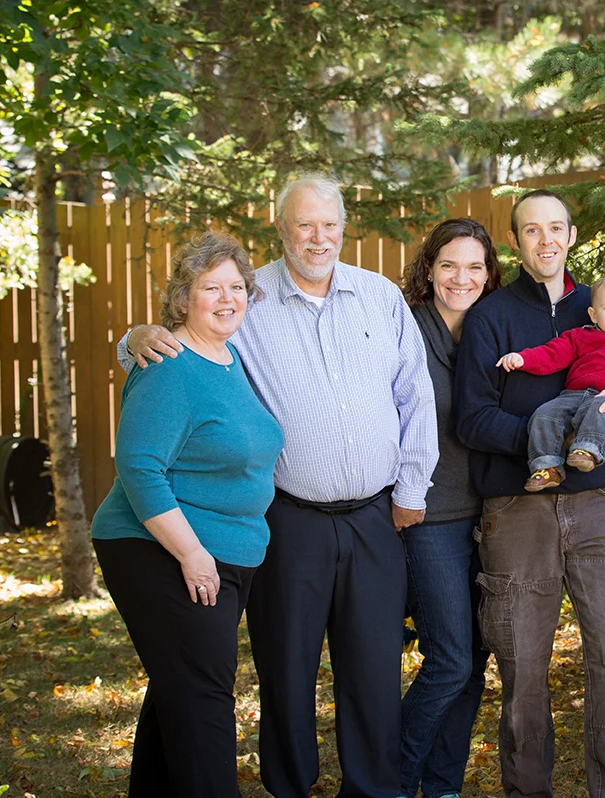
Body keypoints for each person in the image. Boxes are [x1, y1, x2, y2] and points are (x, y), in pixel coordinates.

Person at [117, 173, 438, 798]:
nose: (317, 238)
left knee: (373, 667)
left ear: (344, 228)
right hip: (288, 519)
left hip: (375, 515)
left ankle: (372, 789)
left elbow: (415, 396)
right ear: (281, 229)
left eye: (329, 225)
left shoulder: (379, 297)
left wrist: (410, 491)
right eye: (303, 225)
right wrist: (133, 340)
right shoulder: (248, 294)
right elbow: (184, 344)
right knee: (285, 668)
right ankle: (289, 786)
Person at [454, 189, 605, 798]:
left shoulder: (604, 305)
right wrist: (553, 440)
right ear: (515, 242)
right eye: (532, 230)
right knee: (522, 669)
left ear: (572, 235)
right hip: (516, 509)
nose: (546, 240)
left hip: (597, 506)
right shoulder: (491, 317)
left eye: (557, 228)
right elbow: (471, 419)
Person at [92, 232, 284, 797]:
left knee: (178, 689)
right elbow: (140, 467)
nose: (227, 299)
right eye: (210, 288)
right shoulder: (169, 365)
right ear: (183, 298)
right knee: (203, 697)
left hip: (226, 550)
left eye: (236, 287)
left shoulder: (227, 357)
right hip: (163, 550)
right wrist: (192, 554)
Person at [398, 217, 503, 798]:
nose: (461, 278)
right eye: (448, 265)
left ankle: (442, 787)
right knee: (449, 660)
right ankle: (390, 780)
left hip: (492, 517)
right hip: (429, 518)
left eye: (474, 266)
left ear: (489, 275)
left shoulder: (496, 331)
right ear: (429, 270)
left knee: (474, 662)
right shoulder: (405, 328)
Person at [497, 272, 605, 491]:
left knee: (601, 407)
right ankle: (547, 467)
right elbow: (551, 354)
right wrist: (523, 359)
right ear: (593, 314)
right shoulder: (581, 337)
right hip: (573, 397)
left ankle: (588, 449)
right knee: (544, 413)